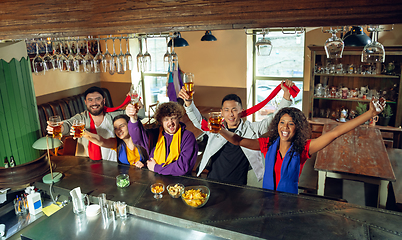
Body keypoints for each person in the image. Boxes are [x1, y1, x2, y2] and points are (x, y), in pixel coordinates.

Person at [218, 98, 386, 194]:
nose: (285, 127)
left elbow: (336, 132)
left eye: (290, 124)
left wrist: (370, 114)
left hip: (289, 204)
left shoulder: (303, 149)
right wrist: (220, 129)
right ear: (276, 124)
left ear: (297, 128)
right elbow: (238, 140)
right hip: (266, 202)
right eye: (282, 122)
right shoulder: (268, 145)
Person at [178, 80, 295, 185]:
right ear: (222, 112)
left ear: (241, 111)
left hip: (239, 184)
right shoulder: (214, 127)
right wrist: (188, 102)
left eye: (234, 109)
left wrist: (286, 95)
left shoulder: (252, 129)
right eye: (227, 110)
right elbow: (198, 120)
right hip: (213, 180)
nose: (231, 114)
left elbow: (274, 119)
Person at [46, 86, 145, 161]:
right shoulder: (81, 118)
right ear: (85, 102)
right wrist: (60, 128)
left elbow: (140, 115)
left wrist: (136, 100)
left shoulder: (114, 115)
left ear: (104, 101)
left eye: (98, 99)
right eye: (90, 100)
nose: (94, 103)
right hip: (88, 166)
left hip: (114, 164)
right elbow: (67, 125)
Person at [126, 101, 198, 176]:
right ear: (160, 121)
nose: (170, 123)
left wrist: (155, 167)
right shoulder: (154, 135)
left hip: (179, 183)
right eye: (166, 119)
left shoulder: (187, 137)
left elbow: (182, 168)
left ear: (179, 118)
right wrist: (133, 117)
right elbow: (137, 137)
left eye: (173, 118)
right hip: (156, 181)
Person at [77, 114, 147, 167]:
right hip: (125, 179)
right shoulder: (116, 143)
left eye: (122, 126)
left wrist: (145, 165)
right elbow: (100, 141)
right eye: (116, 128)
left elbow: (154, 159)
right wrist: (83, 132)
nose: (119, 130)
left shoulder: (142, 139)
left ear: (130, 125)